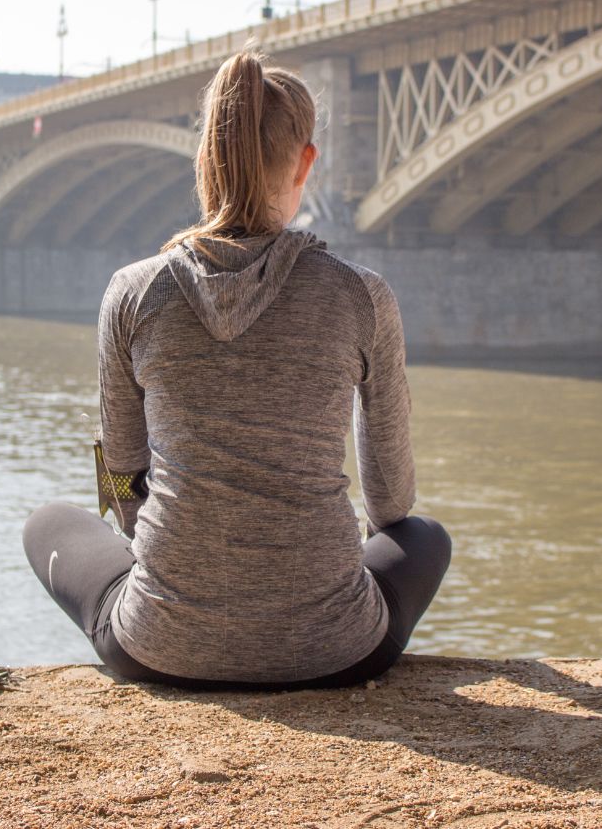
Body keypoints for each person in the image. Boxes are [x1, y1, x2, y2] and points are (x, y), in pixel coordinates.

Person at [23, 49, 450, 690]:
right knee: (426, 535)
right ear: (306, 161)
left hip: (160, 647)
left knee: (47, 523)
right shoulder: (361, 296)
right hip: (336, 651)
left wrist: (162, 555)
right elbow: (391, 504)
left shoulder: (133, 292)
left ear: (205, 161)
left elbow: (118, 467)